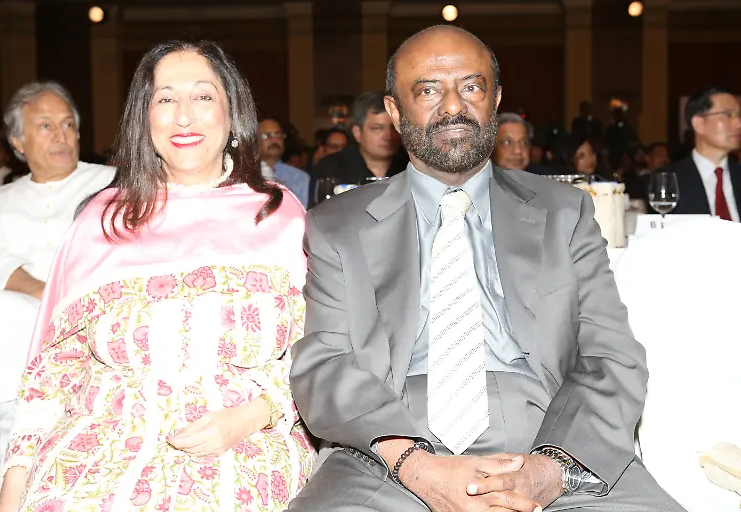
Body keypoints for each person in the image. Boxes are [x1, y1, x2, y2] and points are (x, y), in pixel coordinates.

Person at [287, 25, 683, 512]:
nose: (453, 106)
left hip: (552, 429)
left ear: (495, 98)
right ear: (394, 111)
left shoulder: (564, 212)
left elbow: (612, 355)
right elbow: (324, 367)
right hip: (390, 442)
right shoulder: (338, 225)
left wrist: (551, 469)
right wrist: (416, 465)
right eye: (428, 89)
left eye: (471, 87)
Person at [0, 40, 315, 512]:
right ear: (144, 119)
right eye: (165, 99)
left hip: (243, 441)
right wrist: (11, 495)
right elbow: (53, 371)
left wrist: (254, 415)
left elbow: (321, 347)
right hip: (100, 444)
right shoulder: (102, 222)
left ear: (232, 115)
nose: (183, 116)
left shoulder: (277, 215)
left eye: (203, 97)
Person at [0, 81, 114, 510]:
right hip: (23, 316)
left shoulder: (110, 183)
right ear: (18, 141)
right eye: (46, 126)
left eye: (68, 124)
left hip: (95, 315)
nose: (61, 135)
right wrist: (47, 294)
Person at [664, 86, 741, 220]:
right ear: (698, 124)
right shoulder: (668, 182)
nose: (738, 124)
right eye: (728, 115)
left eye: (739, 115)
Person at [258, 118, 310, 207]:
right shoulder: (246, 175)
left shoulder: (300, 177)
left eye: (278, 135)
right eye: (266, 136)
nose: (274, 140)